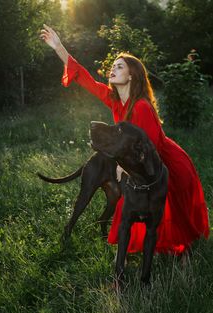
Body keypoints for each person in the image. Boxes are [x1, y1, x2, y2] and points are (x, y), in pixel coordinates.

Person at [40, 24, 209, 255]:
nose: (113, 68)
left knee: (173, 214)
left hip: (167, 162)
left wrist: (123, 167)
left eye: (120, 66)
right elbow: (84, 77)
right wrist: (59, 47)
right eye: (112, 66)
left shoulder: (141, 106)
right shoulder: (115, 100)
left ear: (131, 75)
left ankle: (184, 254)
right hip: (140, 163)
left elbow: (152, 148)